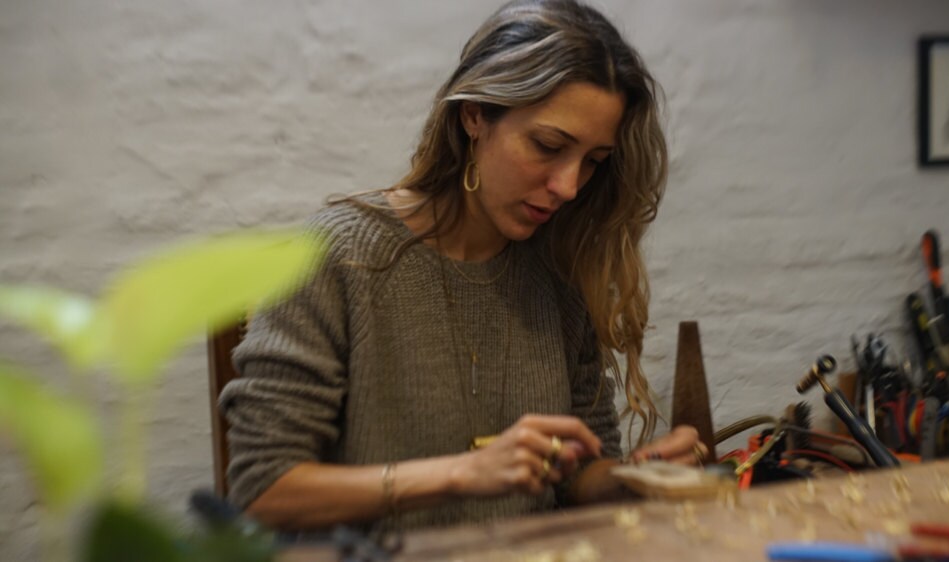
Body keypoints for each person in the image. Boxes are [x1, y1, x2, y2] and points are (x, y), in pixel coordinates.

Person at [219, 0, 706, 533]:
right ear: (474, 115)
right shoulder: (337, 258)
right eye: (548, 145)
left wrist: (634, 478)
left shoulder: (557, 277)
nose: (568, 186)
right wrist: (461, 473)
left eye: (592, 161)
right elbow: (262, 492)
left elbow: (576, 474)